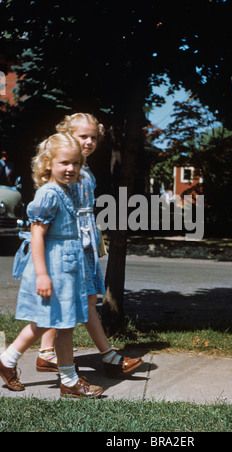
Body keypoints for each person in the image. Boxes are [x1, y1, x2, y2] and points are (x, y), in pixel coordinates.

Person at [0, 133, 105, 398]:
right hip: (54, 266)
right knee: (61, 324)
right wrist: (42, 275)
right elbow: (37, 236)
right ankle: (69, 381)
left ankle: (8, 359)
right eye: (64, 163)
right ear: (48, 164)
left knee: (50, 323)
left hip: (68, 266)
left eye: (76, 164)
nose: (70, 169)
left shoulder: (66, 190)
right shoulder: (48, 194)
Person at [37, 113, 143, 377]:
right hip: (71, 243)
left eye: (93, 137)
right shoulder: (69, 171)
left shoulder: (84, 170)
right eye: (82, 136)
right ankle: (108, 356)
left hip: (84, 241)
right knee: (86, 300)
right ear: (67, 134)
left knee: (73, 300)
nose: (89, 141)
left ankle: (45, 352)